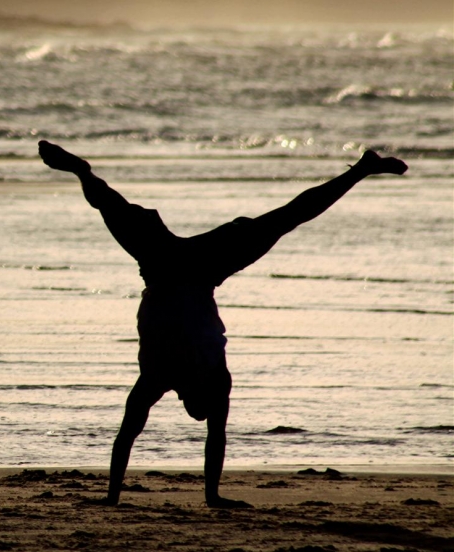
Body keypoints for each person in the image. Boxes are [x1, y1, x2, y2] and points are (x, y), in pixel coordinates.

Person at [38, 140, 407, 508]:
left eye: (197, 408)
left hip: (168, 266)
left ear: (184, 396)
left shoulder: (159, 375)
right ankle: (361, 169)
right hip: (197, 268)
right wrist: (209, 496)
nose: (200, 412)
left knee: (115, 208)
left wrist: (114, 498)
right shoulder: (205, 377)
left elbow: (131, 436)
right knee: (285, 218)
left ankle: (81, 171)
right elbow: (199, 437)